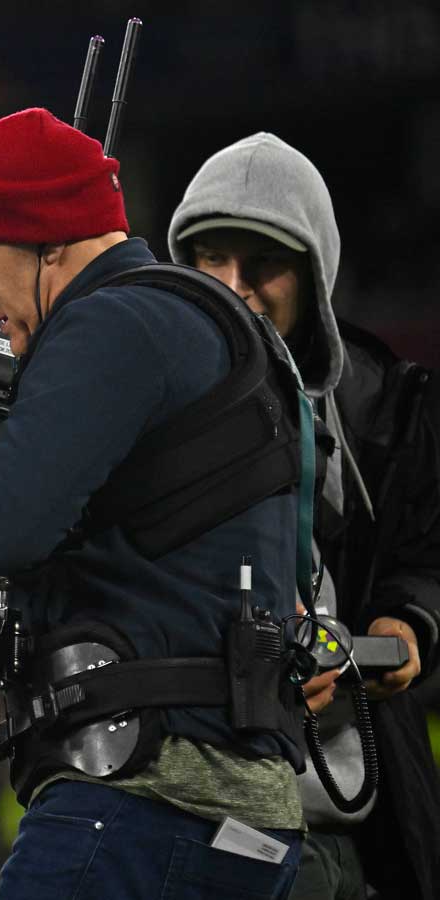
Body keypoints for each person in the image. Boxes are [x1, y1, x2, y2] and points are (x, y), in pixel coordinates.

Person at [0, 108, 306, 897]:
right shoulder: (192, 320)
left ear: (46, 239)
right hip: (226, 808)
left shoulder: (113, 323)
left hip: (147, 800)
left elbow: (0, 525)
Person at [170, 132, 440, 900]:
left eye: (264, 265)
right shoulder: (138, 402)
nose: (234, 287)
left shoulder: (384, 405)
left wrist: (407, 623)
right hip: (192, 816)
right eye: (209, 261)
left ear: (314, 272)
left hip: (348, 820)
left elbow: (426, 554)